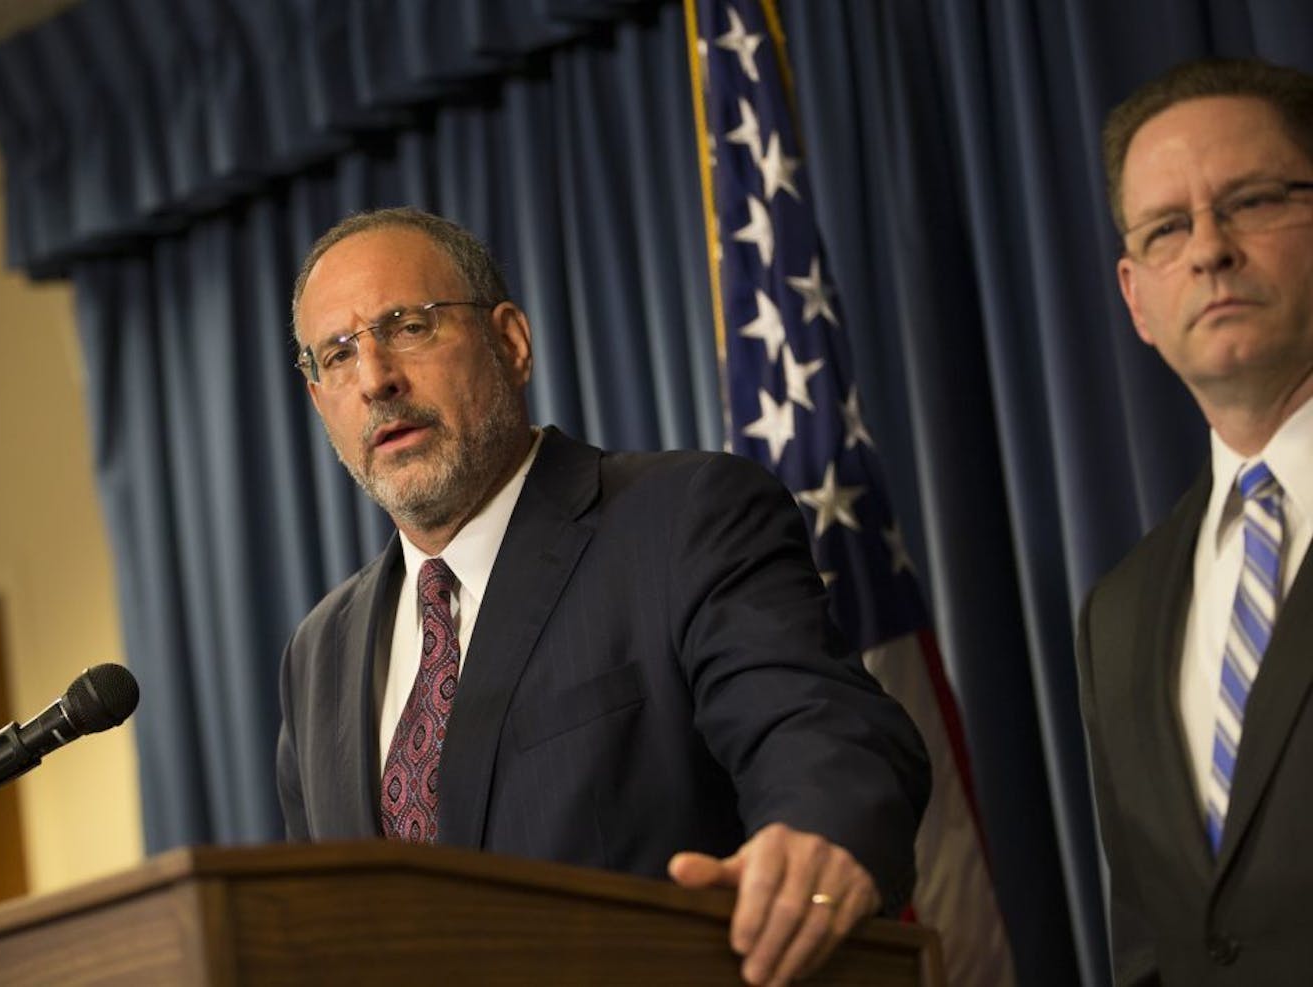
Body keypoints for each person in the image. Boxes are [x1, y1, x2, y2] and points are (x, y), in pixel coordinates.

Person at [275, 206, 929, 986]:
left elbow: (819, 727)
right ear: (320, 403)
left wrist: (820, 832)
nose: (376, 378)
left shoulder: (681, 519)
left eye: (409, 326)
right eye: (338, 355)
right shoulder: (319, 654)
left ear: (510, 342)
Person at [1078, 57, 1313, 984]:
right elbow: (1150, 944)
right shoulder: (1119, 614)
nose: (1210, 248)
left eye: (1251, 201)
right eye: (1169, 227)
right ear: (1137, 298)